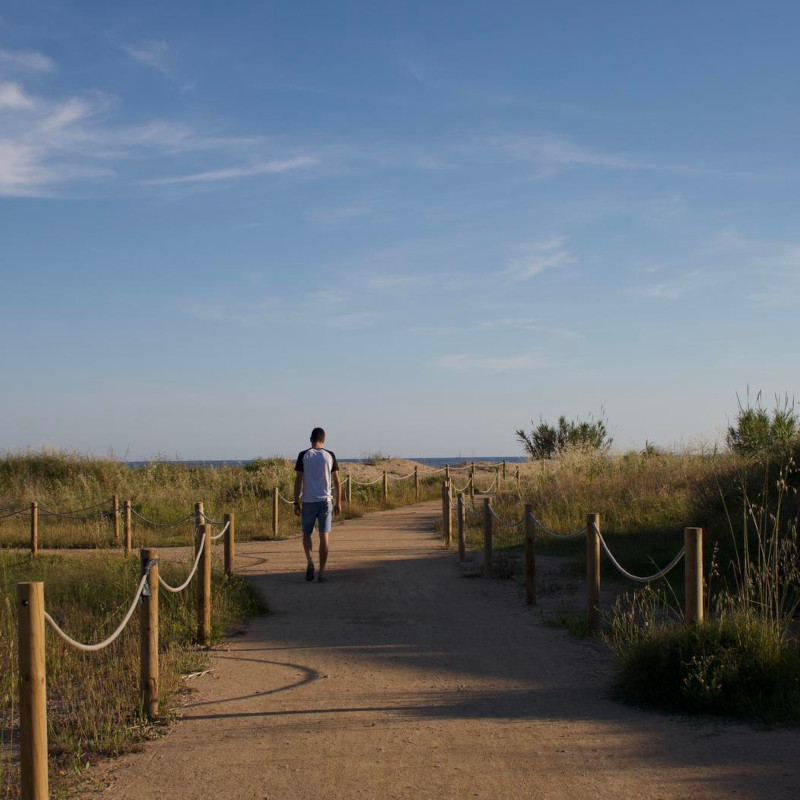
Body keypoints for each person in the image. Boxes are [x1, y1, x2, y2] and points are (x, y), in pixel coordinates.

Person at [294, 427, 341, 582]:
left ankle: (309, 561)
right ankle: (322, 572)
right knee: (324, 537)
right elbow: (337, 482)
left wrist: (296, 501)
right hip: (325, 501)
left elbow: (298, 480)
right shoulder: (330, 455)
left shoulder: (303, 455)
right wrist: (338, 502)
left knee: (306, 534)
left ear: (310, 439)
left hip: (308, 501)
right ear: (324, 439)